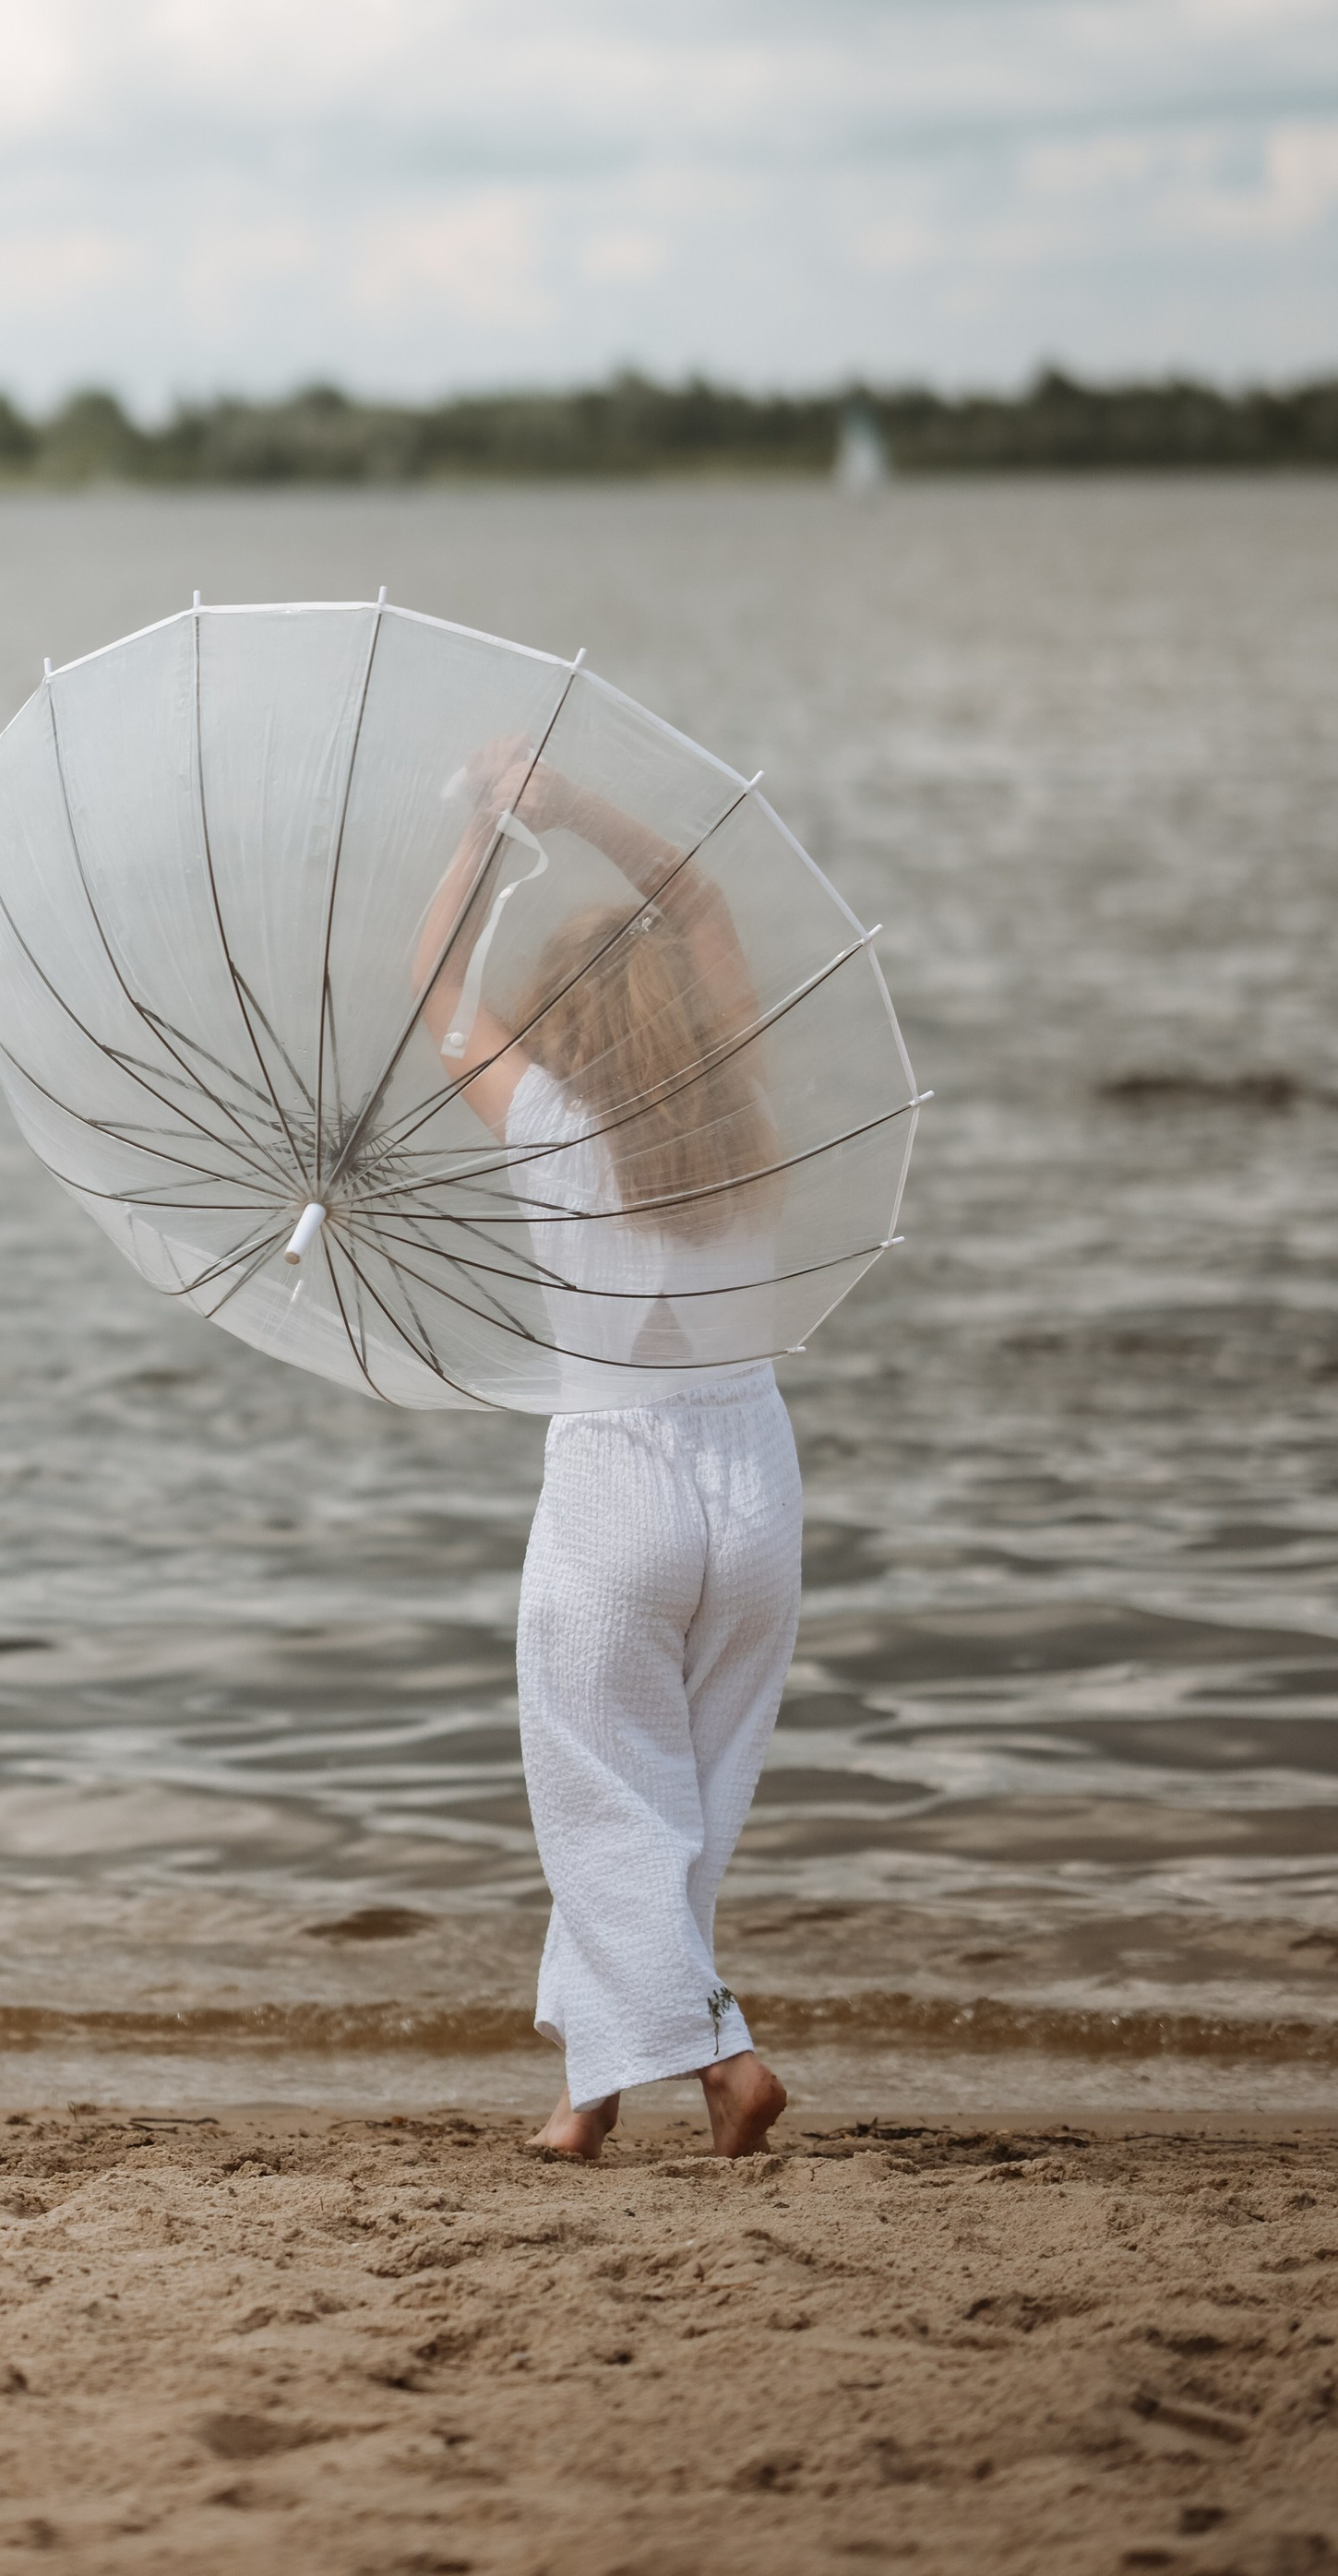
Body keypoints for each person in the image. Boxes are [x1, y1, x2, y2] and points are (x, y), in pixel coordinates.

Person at [414, 745, 796, 2162]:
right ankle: (585, 2101)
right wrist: (580, 811)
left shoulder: (549, 1126)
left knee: (599, 1799)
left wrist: (484, 831)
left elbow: (437, 986)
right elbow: (694, 899)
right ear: (690, 1016)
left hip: (617, 1477)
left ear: (565, 1026)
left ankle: (727, 2055)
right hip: (752, 1470)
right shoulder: (740, 1112)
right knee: (681, 1804)